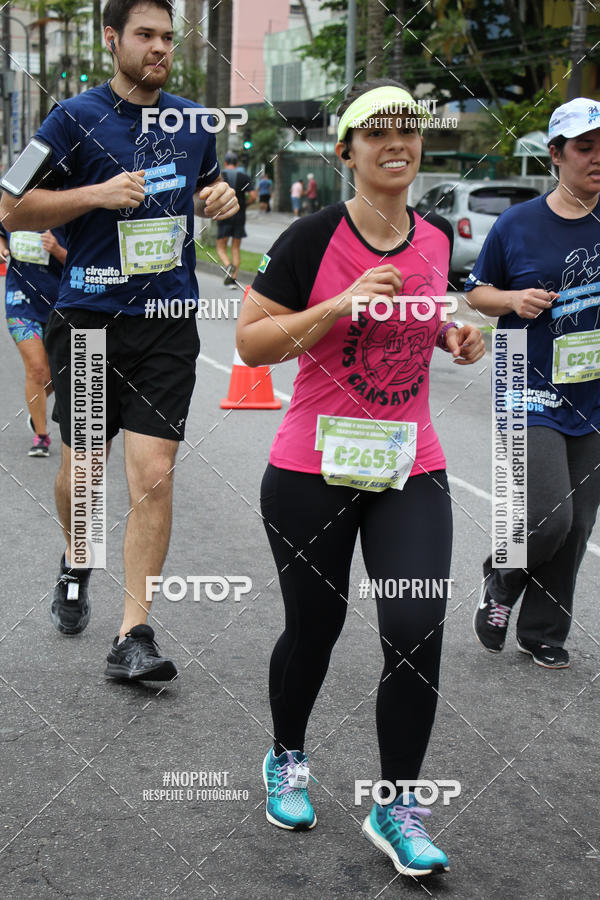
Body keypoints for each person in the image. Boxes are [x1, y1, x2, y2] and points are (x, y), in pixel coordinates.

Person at [236, 80, 484, 877]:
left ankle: (398, 803)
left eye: (407, 128)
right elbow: (251, 345)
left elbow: (425, 310)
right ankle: (287, 757)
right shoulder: (312, 236)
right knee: (317, 629)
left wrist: (452, 334)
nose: (395, 142)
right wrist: (337, 304)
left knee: (416, 632)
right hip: (312, 467)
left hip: (411, 465)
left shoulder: (439, 236)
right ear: (346, 152)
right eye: (375, 132)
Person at [0, 0, 238, 680]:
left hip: (166, 322)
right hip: (90, 319)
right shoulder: (72, 119)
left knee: (154, 477)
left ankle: (133, 633)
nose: (159, 47)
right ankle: (78, 555)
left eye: (167, 36)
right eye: (146, 35)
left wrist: (219, 198)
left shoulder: (193, 122)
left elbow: (208, 187)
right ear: (114, 39)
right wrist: (95, 195)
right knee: (85, 475)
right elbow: (10, 204)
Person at [469, 96, 600, 670]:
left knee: (578, 526)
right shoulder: (517, 223)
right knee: (551, 514)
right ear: (556, 155)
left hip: (593, 395)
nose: (597, 158)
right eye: (585, 148)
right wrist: (513, 300)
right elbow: (475, 292)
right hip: (528, 384)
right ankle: (501, 575)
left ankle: (543, 630)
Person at [1, 224, 66, 456]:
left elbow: (88, 263)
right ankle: (41, 436)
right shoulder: (16, 202)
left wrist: (57, 249)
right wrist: (3, 248)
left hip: (64, 305)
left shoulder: (71, 206)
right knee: (37, 369)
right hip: (21, 303)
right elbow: (2, 232)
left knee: (58, 374)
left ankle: (35, 406)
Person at [216, 150, 256, 285]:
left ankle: (228, 266)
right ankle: (233, 277)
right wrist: (245, 204)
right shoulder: (244, 176)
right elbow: (253, 196)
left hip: (223, 214)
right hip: (239, 215)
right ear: (237, 163)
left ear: (225, 163)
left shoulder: (219, 176)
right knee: (235, 247)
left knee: (221, 247)